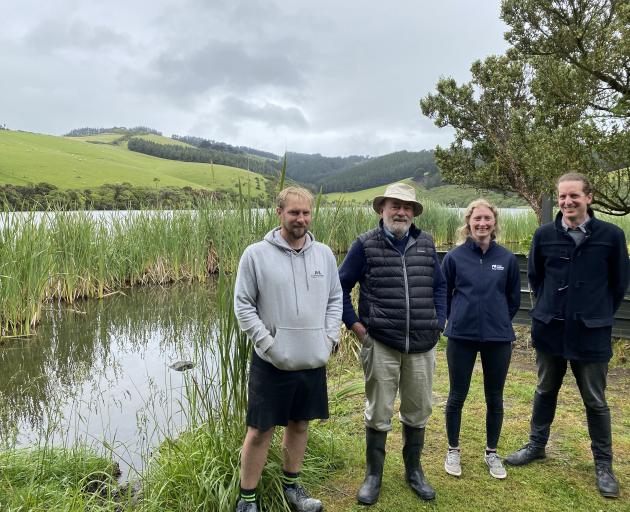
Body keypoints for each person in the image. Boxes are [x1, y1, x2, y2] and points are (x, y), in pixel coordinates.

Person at [505, 173, 629, 499]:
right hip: (551, 330)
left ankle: (603, 464)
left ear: (589, 197)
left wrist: (595, 311)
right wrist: (549, 309)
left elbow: (618, 286)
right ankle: (536, 445)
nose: (567, 202)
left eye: (574, 196)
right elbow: (536, 278)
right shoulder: (544, 235)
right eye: (562, 197)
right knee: (545, 389)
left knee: (595, 400)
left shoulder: (611, 236)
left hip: (591, 333)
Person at [233, 186, 343, 512]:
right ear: (279, 212)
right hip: (271, 361)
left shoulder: (324, 254)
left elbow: (335, 299)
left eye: (306, 212)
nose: (301, 219)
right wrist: (268, 344)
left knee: (300, 424)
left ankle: (292, 489)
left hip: (312, 358)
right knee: (259, 431)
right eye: (294, 212)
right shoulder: (255, 254)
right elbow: (243, 305)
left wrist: (330, 338)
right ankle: (247, 500)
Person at [338, 182, 447, 505]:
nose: (401, 212)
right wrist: (357, 328)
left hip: (423, 344)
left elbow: (440, 287)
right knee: (378, 411)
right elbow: (339, 288)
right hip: (381, 343)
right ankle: (374, 476)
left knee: (418, 410)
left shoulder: (426, 243)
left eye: (407, 207)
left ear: (413, 213)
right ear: (382, 209)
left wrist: (439, 322)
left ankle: (414, 471)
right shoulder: (364, 245)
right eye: (394, 206)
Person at [441, 199, 521, 480]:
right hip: (460, 336)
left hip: (498, 338)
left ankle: (492, 452)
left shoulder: (507, 259)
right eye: (477, 219)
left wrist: (496, 319)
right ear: (468, 222)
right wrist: (457, 317)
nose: (482, 223)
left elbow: (513, 300)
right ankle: (453, 449)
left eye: (487, 218)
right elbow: (445, 294)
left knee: (495, 397)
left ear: (494, 222)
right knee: (456, 395)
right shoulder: (454, 258)